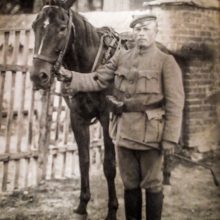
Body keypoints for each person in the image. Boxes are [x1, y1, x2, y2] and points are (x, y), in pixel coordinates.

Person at [59, 13, 185, 220]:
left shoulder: (166, 61)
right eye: (137, 29)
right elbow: (97, 79)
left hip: (151, 134)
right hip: (124, 132)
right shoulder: (121, 56)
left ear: (155, 32)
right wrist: (71, 76)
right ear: (133, 33)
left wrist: (170, 137)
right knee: (130, 183)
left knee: (152, 184)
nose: (141, 33)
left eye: (146, 29)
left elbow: (175, 103)